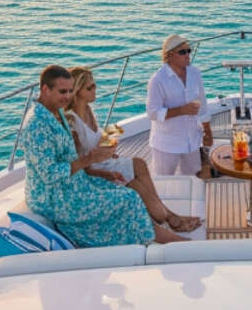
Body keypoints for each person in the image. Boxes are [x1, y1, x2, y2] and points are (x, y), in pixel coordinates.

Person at [24, 64, 187, 247]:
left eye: (70, 91)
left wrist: (103, 173)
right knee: (128, 199)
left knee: (128, 192)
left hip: (76, 183)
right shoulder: (37, 126)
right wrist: (91, 159)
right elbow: (50, 174)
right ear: (45, 89)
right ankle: (170, 241)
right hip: (54, 198)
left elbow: (69, 159)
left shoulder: (56, 111)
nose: (68, 97)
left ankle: (156, 233)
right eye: (63, 91)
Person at [67, 67, 201, 233]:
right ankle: (168, 218)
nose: (95, 90)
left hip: (106, 162)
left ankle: (167, 215)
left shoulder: (87, 110)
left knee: (139, 163)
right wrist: (104, 170)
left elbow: (95, 142)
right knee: (137, 183)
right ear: (77, 91)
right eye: (90, 87)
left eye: (94, 85)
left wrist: (109, 148)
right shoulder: (71, 121)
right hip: (96, 171)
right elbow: (81, 163)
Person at [147, 35, 213, 177]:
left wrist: (207, 130)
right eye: (182, 52)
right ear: (169, 55)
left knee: (194, 182)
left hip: (192, 141)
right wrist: (181, 110)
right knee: (163, 185)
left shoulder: (195, 73)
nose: (188, 55)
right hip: (167, 144)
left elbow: (202, 104)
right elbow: (152, 113)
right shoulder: (158, 80)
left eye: (189, 50)